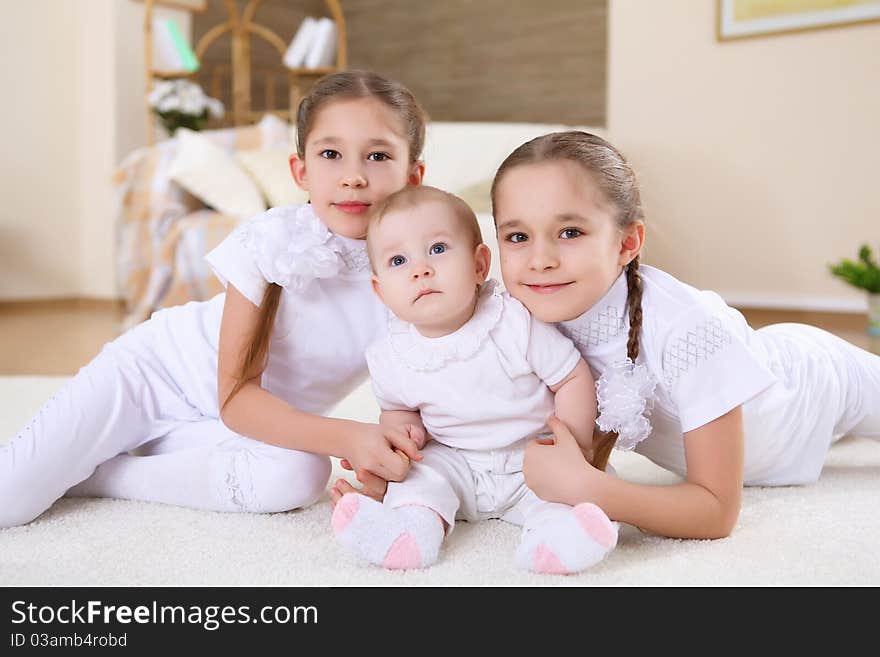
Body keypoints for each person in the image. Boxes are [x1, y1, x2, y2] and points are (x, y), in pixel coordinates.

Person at [0, 71, 430, 528]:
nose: (353, 177)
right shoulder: (273, 242)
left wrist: (385, 456)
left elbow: (414, 392)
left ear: (414, 175)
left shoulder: (419, 273)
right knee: (9, 501)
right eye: (330, 154)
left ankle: (101, 475)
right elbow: (237, 397)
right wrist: (349, 437)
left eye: (378, 156)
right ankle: (79, 458)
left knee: (299, 474)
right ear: (300, 171)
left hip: (252, 426)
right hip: (153, 379)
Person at [489, 130, 880, 540]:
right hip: (759, 433)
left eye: (570, 232)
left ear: (627, 243)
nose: (540, 260)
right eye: (518, 237)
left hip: (813, 387)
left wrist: (589, 489)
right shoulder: (519, 322)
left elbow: (716, 512)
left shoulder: (686, 329)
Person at [330, 185, 618, 574]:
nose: (420, 269)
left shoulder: (513, 322)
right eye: (398, 260)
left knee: (581, 491)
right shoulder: (388, 355)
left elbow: (570, 377)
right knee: (419, 480)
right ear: (380, 291)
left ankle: (556, 542)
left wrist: (575, 447)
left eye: (437, 249)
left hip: (530, 458)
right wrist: (402, 446)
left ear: (480, 264)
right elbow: (398, 412)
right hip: (454, 462)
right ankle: (410, 533)